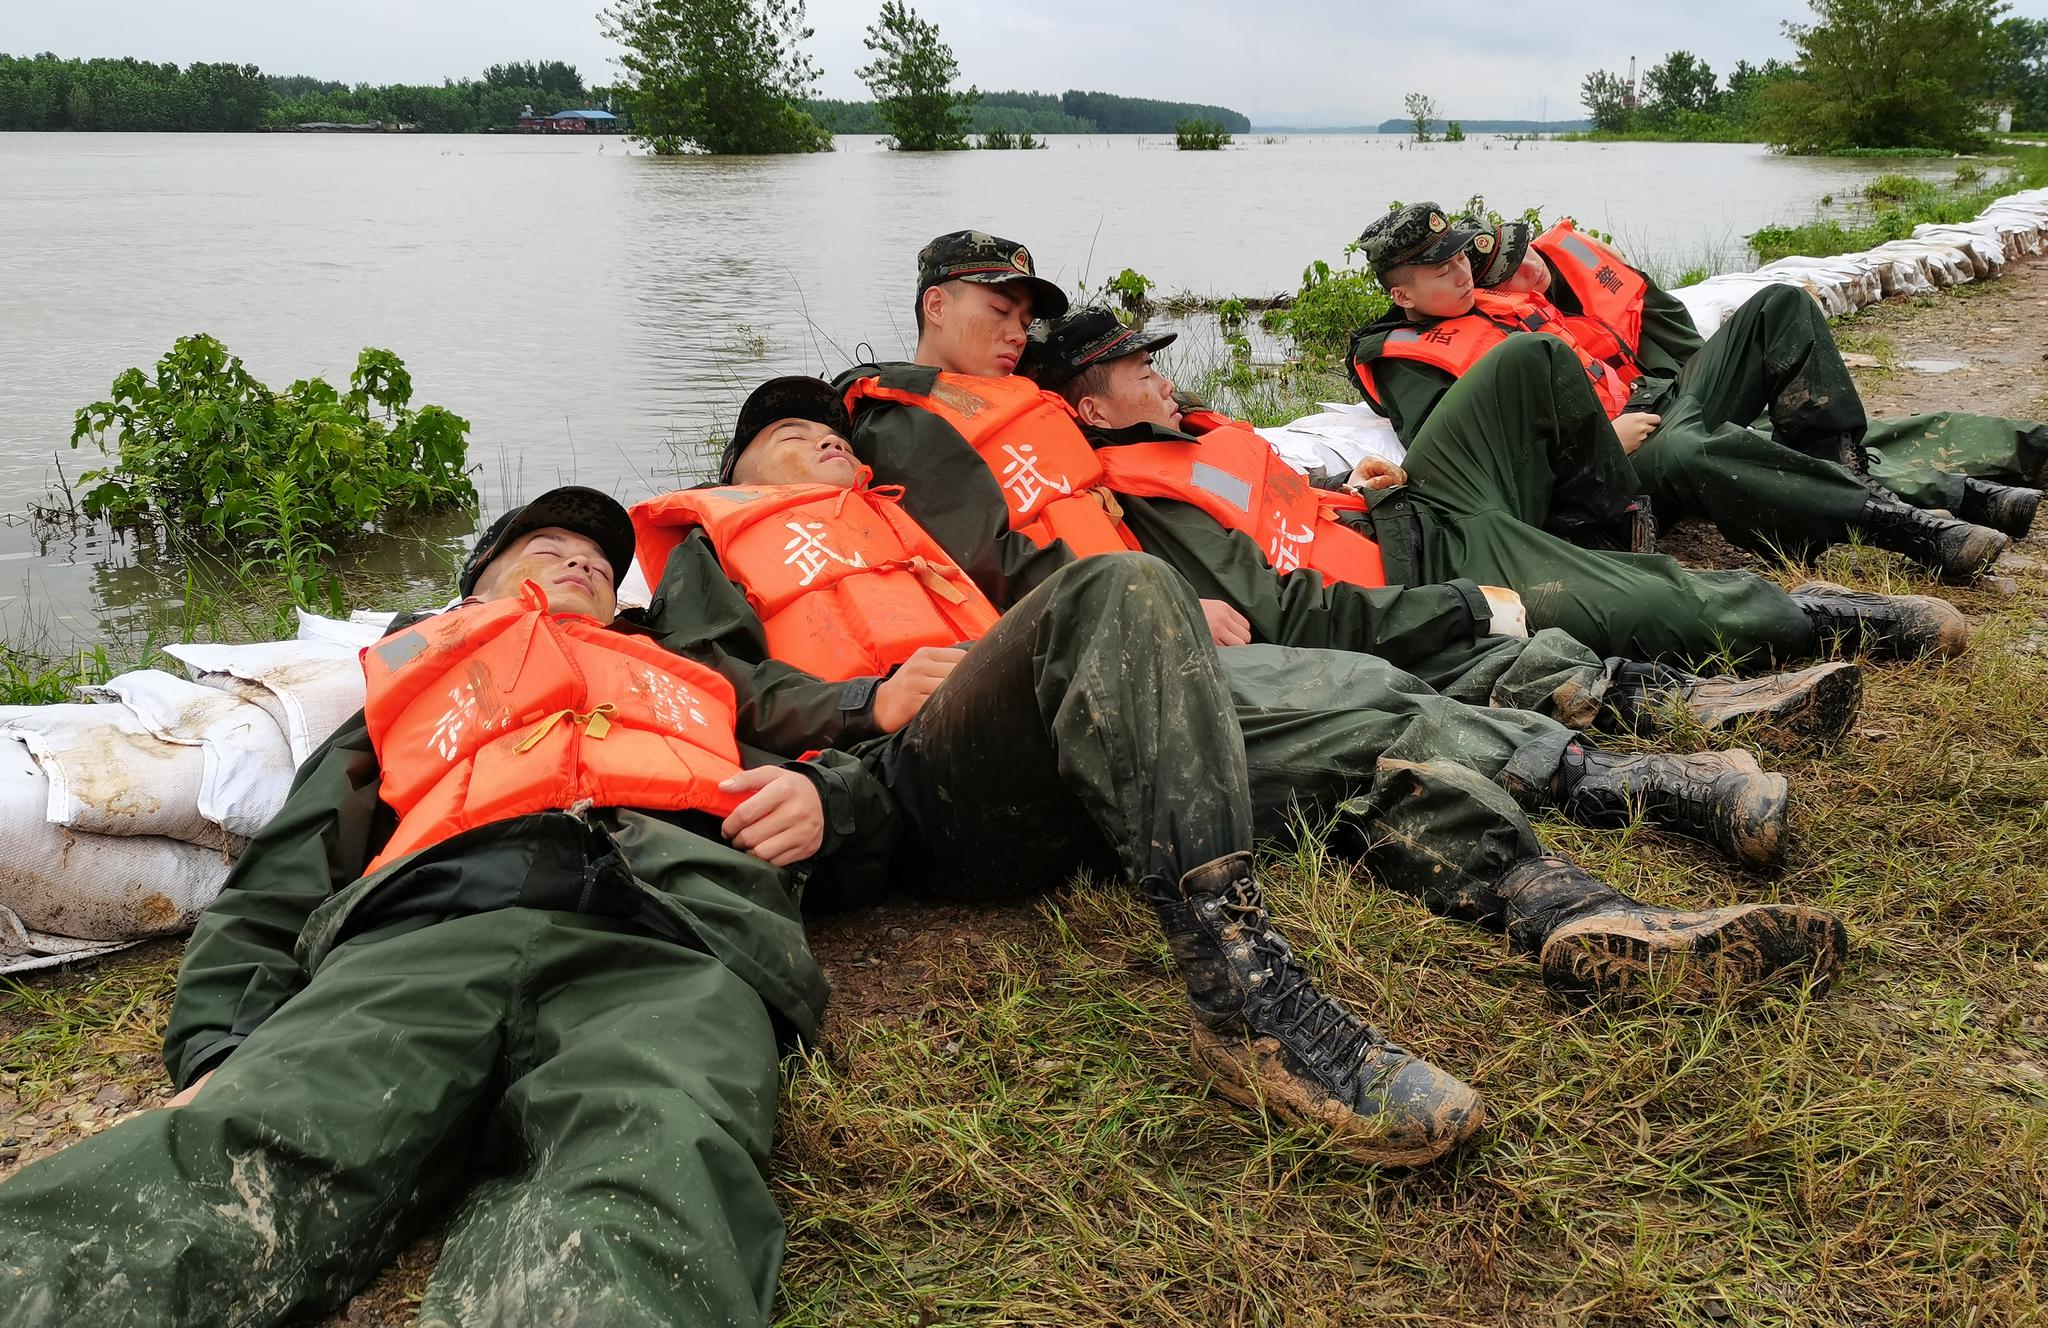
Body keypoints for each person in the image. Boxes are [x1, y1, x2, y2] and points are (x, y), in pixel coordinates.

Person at [650, 379, 1849, 1054]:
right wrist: (860, 698)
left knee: (1349, 705)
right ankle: (1243, 992)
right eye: (783, 433)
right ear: (736, 464)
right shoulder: (712, 543)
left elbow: (1036, 604)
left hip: (1048, 734)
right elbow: (715, 690)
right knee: (1130, 589)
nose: (818, 437)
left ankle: (1583, 870)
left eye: (827, 428)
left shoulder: (914, 527)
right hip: (923, 772)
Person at [0, 486, 883, 1328]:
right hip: (422, 940)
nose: (581, 564)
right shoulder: (410, 691)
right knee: (239, 1148)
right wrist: (219, 1044)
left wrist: (823, 799)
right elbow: (283, 871)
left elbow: (869, 783)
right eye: (548, 550)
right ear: (476, 585)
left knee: (647, 1174)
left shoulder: (689, 680)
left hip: (670, 946)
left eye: (601, 567)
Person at [1025, 303, 1918, 715]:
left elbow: (1287, 512)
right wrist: (1457, 606)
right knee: (1659, 604)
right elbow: (1288, 611)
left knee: (1531, 359)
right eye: (1140, 369)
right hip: (1433, 571)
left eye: (1155, 358)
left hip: (1415, 508)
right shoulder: (1145, 498)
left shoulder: (1196, 435)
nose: (1164, 374)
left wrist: (1355, 493)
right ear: (1093, 410)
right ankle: (1830, 617)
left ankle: (1615, 519)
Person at [1347, 203, 2009, 583]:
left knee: (1776, 306)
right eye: (1441, 269)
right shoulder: (1405, 361)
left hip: (1646, 406)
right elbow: (1470, 461)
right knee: (1693, 450)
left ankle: (1838, 469)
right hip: (1597, 478)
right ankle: (1901, 526)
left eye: (1461, 257)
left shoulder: (1490, 303)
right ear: (1401, 293)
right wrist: (1604, 443)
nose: (1461, 271)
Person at [1513, 214, 2045, 534]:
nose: (1529, 265)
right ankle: (1958, 498)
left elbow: (1683, 344)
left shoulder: (1581, 296)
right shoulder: (1502, 346)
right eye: (1509, 268)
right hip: (1636, 446)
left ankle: (2024, 450)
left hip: (1677, 403)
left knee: (1811, 396)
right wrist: (1607, 442)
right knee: (1758, 451)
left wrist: (1636, 279)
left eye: (1526, 252)